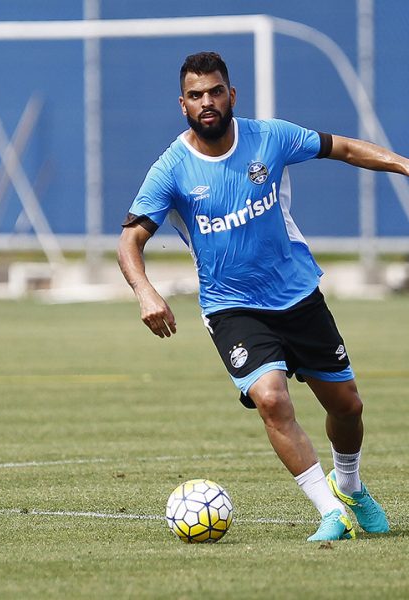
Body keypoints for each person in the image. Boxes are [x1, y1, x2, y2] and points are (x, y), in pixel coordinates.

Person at [118, 51, 409, 542]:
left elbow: (343, 149)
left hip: (297, 295)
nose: (206, 103)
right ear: (182, 105)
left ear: (231, 95)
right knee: (272, 398)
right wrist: (146, 291)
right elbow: (130, 240)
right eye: (195, 96)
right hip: (231, 306)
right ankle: (329, 512)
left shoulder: (270, 137)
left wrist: (403, 164)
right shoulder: (171, 168)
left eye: (215, 92)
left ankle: (351, 488)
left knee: (348, 408)